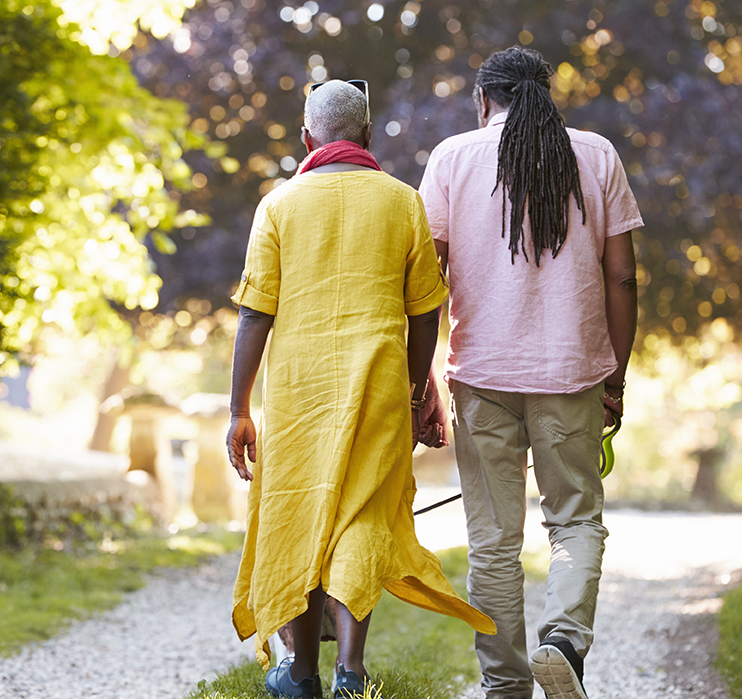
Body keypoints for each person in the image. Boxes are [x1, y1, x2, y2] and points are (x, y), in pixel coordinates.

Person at [226, 79, 495, 699]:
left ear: (306, 137)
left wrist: (239, 408)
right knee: (363, 516)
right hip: (378, 384)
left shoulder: (279, 205)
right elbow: (425, 309)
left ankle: (300, 674)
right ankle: (350, 669)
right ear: (368, 135)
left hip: (298, 393)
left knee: (297, 512)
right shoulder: (403, 202)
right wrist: (413, 387)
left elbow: (254, 314)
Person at [417, 47, 643, 699]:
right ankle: (564, 640)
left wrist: (423, 380)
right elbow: (622, 275)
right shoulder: (596, 155)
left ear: (483, 100)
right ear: (547, 96)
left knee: (491, 538)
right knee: (574, 519)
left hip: (480, 375)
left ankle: (506, 684)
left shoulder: (452, 159)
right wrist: (615, 374)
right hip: (572, 374)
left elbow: (424, 286)